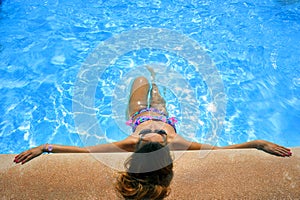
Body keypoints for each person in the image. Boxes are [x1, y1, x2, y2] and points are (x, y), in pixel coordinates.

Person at [14, 72, 292, 199]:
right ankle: (154, 78)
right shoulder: (175, 140)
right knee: (156, 92)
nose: (154, 135)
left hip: (137, 115)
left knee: (138, 82)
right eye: (155, 138)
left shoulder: (131, 141)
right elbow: (222, 150)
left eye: (151, 137)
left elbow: (87, 151)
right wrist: (256, 143)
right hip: (164, 115)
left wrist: (46, 147)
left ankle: (149, 75)